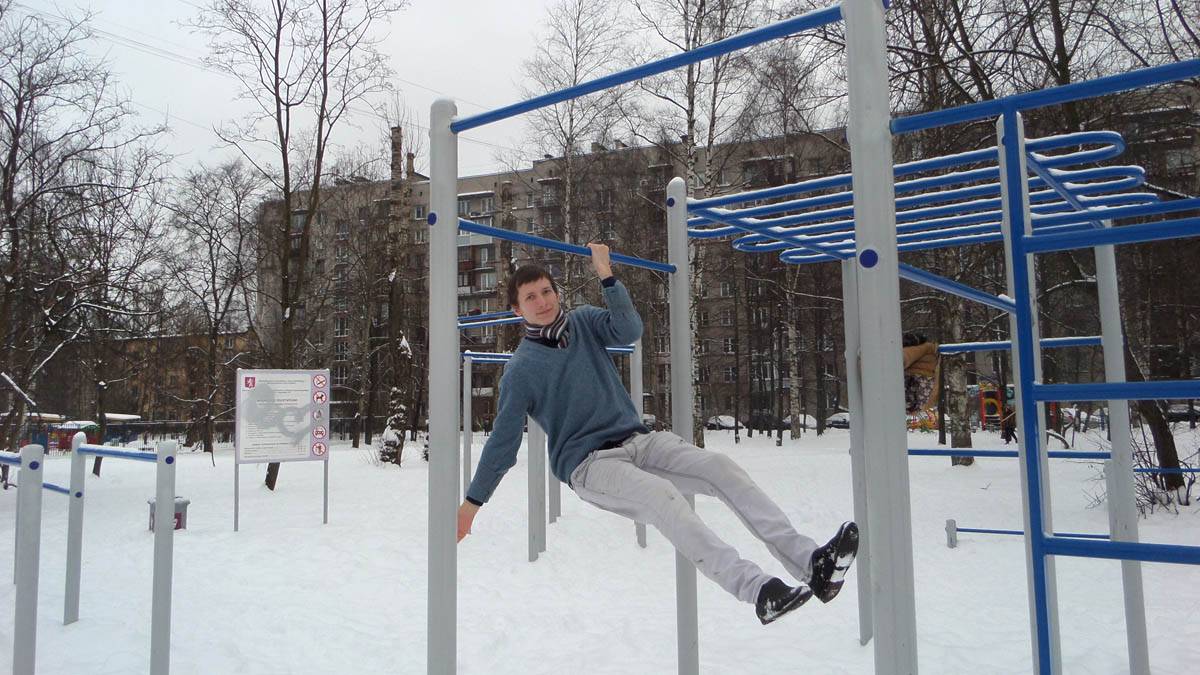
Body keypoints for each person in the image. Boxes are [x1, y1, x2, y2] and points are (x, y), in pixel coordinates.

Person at [456, 244, 858, 626]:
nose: (543, 301)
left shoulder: (583, 322)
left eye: (547, 291)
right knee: (661, 496)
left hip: (638, 440)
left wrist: (606, 275)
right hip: (589, 465)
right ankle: (757, 591)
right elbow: (503, 443)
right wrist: (472, 503)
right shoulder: (521, 369)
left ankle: (812, 564)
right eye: (531, 297)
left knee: (719, 467)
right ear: (516, 309)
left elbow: (628, 329)